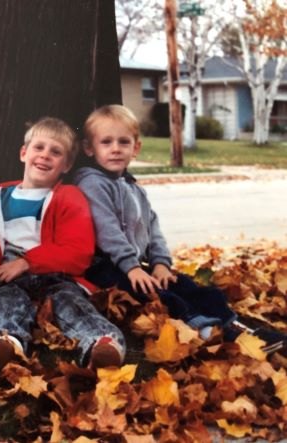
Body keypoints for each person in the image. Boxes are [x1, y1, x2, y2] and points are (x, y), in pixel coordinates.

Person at [74, 104, 286, 351]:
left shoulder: (133, 187)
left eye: (123, 142)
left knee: (186, 285)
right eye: (106, 142)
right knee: (164, 298)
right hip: (107, 269)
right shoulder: (92, 184)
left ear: (136, 147)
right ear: (89, 148)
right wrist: (131, 267)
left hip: (136, 266)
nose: (115, 149)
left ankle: (239, 329)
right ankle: (206, 333)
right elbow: (106, 230)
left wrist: (161, 264)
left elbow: (152, 228)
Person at [0, 117, 126, 371]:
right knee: (5, 301)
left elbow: (78, 250)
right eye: (39, 148)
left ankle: (101, 343)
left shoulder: (69, 197)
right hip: (7, 279)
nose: (45, 156)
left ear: (66, 165)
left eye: (55, 152)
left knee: (70, 302)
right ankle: (9, 343)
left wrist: (27, 262)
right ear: (24, 153)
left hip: (55, 276)